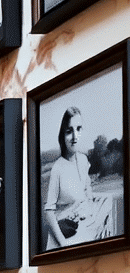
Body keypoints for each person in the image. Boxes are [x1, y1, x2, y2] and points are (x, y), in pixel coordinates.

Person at [42, 105, 115, 249]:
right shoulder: (58, 167)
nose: (75, 136)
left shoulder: (83, 160)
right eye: (69, 131)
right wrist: (63, 243)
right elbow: (48, 212)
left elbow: (87, 189)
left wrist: (90, 201)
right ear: (63, 135)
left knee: (109, 199)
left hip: (85, 216)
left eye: (79, 129)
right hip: (68, 224)